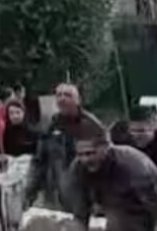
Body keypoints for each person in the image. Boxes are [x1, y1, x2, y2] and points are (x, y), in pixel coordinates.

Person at [63, 121, 157, 231]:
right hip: (116, 215)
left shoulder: (133, 165)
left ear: (106, 147)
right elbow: (80, 216)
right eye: (80, 154)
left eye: (90, 153)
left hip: (147, 215)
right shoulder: (78, 169)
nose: (85, 160)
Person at [23, 83, 103, 211]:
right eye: (59, 95)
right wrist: (29, 193)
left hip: (83, 197)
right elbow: (39, 161)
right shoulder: (51, 125)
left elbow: (105, 163)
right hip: (54, 195)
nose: (62, 98)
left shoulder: (92, 126)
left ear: (78, 100)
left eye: (68, 95)